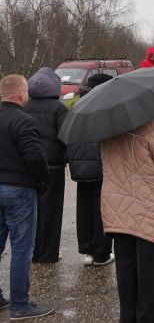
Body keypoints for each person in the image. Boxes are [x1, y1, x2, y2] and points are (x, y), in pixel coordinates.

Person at [102, 117, 154, 323]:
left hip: (119, 210)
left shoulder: (108, 129)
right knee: (150, 278)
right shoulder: (152, 127)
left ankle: (127, 318)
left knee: (126, 272)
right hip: (148, 209)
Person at [0, 74, 53, 319]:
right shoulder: (24, 121)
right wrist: (43, 180)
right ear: (21, 95)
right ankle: (20, 305)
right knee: (22, 249)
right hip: (19, 190)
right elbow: (34, 156)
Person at [66, 73, 114, 267]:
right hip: (101, 166)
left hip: (80, 166)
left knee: (84, 209)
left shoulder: (77, 107)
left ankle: (87, 250)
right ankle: (101, 253)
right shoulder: (104, 108)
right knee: (102, 210)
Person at [24, 68, 67, 264]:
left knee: (31, 209)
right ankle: (49, 253)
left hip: (29, 165)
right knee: (52, 210)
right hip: (54, 165)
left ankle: (33, 252)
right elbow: (65, 137)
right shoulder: (59, 108)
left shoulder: (24, 105)